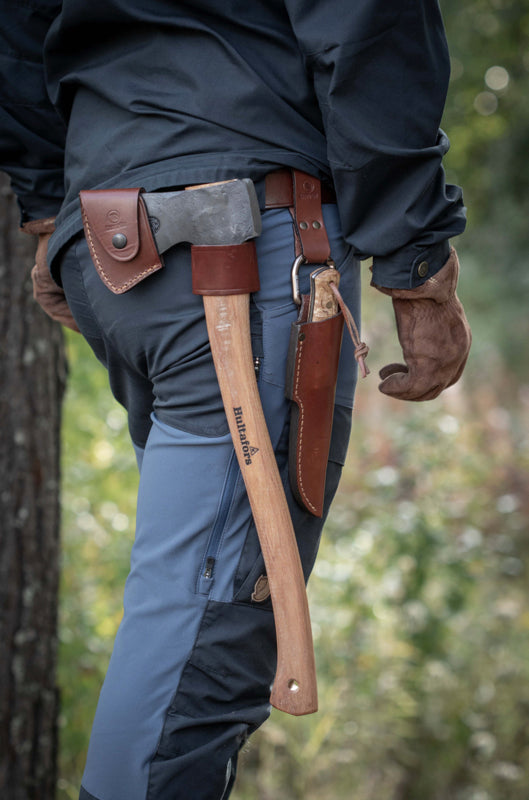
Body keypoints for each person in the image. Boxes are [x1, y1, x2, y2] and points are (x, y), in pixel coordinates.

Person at [0, 1, 471, 798]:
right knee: (203, 638)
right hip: (235, 248)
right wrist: (414, 254)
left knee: (179, 607)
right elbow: (365, 20)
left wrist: (50, 208)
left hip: (114, 235)